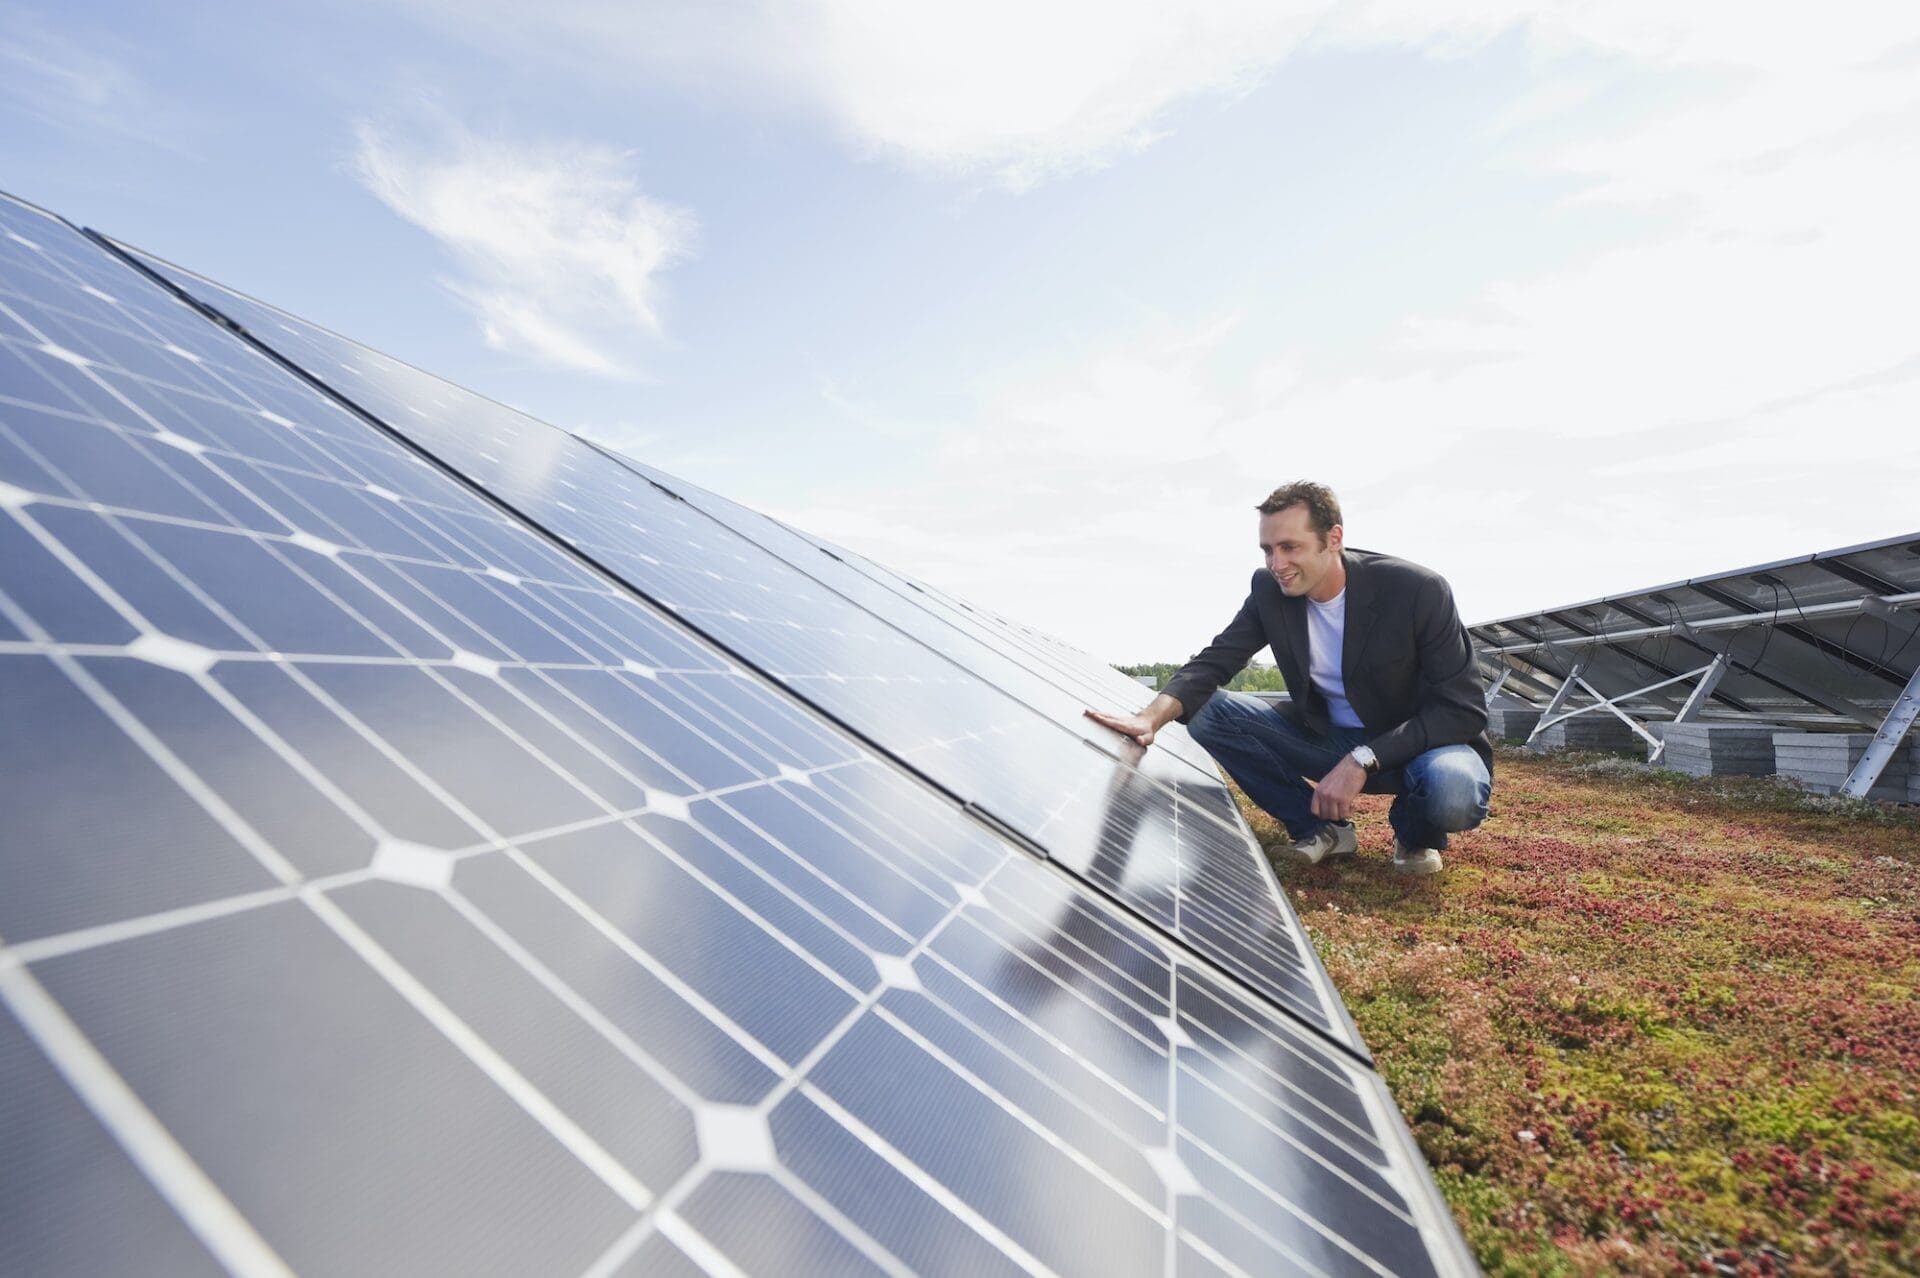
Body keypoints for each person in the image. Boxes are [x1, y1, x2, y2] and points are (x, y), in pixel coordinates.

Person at [1086, 481, 1491, 875]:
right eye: (1268, 549)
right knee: (1207, 709)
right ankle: (1320, 828)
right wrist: (1149, 718)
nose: (1276, 564)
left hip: (1417, 745)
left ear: (1333, 539)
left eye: (1290, 547)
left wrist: (1364, 759)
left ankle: (1413, 834)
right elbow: (1216, 661)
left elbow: (1462, 711)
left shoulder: (1417, 590)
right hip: (1328, 737)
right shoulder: (1270, 590)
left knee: (1454, 791)